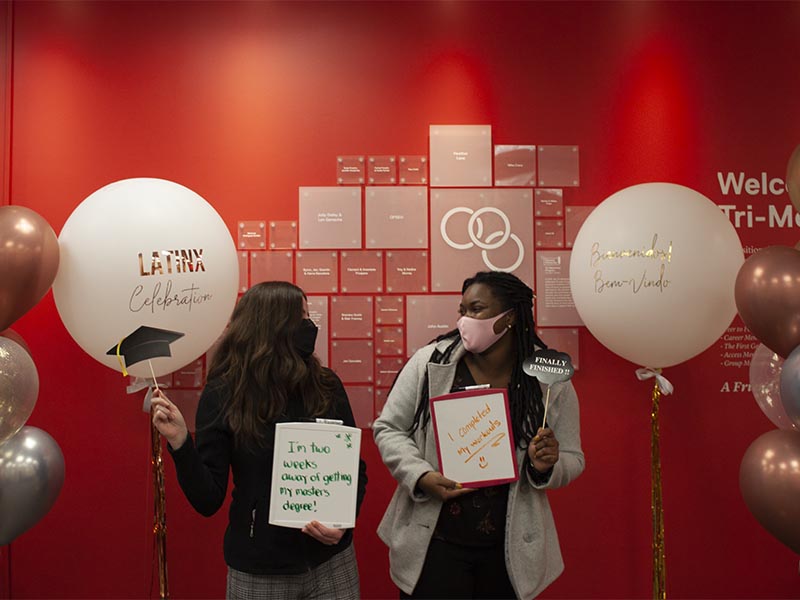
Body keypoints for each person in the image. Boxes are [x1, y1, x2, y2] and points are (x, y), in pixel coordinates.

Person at [373, 271, 584, 599]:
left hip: (509, 551)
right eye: (462, 310)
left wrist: (544, 467)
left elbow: (574, 457)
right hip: (434, 544)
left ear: (510, 317)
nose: (464, 320)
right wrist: (421, 476)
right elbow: (388, 428)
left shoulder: (548, 383)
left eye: (477, 309)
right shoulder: (432, 362)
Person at [151, 281, 367, 600]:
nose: (310, 326)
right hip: (259, 571)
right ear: (273, 326)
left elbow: (354, 470)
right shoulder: (224, 393)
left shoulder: (326, 385)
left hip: (332, 565)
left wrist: (343, 525)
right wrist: (181, 443)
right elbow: (208, 499)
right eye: (302, 317)